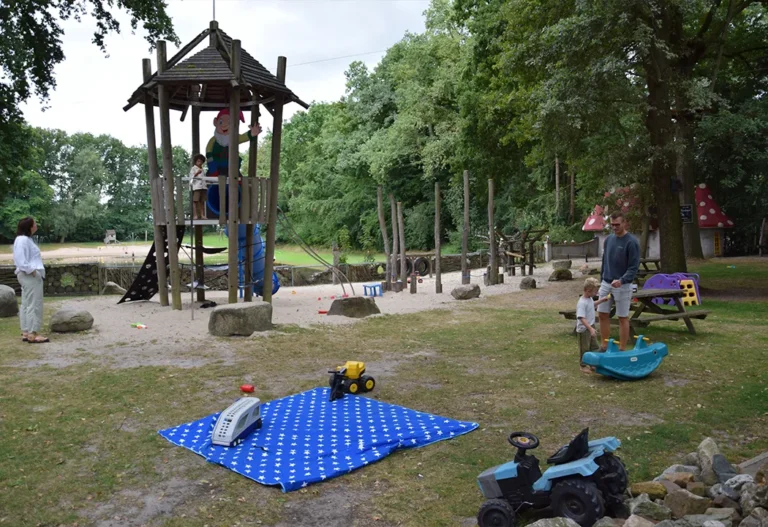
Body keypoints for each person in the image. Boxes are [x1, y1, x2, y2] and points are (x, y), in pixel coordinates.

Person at [597, 211, 640, 351]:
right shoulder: (608, 239)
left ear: (624, 223)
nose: (614, 227)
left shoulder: (631, 242)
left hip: (623, 285)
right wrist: (602, 277)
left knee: (622, 317)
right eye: (612, 224)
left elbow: (633, 268)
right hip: (606, 282)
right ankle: (604, 345)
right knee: (602, 313)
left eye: (617, 224)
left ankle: (622, 348)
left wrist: (622, 280)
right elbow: (604, 261)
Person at [13, 217, 49, 343]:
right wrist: (33, 271)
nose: (36, 225)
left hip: (28, 274)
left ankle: (26, 331)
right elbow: (21, 260)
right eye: (34, 224)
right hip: (30, 275)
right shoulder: (22, 240)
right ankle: (33, 333)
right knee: (34, 303)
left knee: (26, 303)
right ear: (29, 226)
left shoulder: (25, 240)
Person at [576, 277, 610, 374]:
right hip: (584, 330)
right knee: (585, 348)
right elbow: (581, 317)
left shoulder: (589, 299)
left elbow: (592, 304)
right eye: (595, 292)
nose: (596, 293)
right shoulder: (581, 303)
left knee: (594, 347)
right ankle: (582, 366)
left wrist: (601, 300)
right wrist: (590, 329)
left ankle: (592, 364)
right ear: (588, 290)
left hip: (591, 327)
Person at [189, 154, 207, 220]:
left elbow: (204, 178)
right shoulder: (193, 168)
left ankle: (202, 215)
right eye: (198, 161)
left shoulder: (203, 169)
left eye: (201, 161)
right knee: (195, 201)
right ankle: (195, 215)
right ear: (195, 161)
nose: (200, 163)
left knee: (202, 201)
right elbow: (191, 177)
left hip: (203, 187)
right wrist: (197, 173)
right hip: (196, 187)